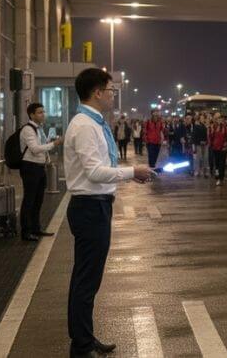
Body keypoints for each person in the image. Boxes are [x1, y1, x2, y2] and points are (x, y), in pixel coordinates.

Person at [64, 68, 153, 357]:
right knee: (86, 280)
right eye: (111, 89)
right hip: (89, 207)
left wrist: (130, 174)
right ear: (97, 92)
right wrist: (132, 171)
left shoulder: (94, 123)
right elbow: (94, 172)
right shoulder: (85, 126)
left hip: (96, 205)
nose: (113, 95)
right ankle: (81, 345)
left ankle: (85, 338)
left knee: (88, 279)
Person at [19, 102, 63, 241]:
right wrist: (54, 144)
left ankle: (36, 229)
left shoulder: (39, 128)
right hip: (30, 167)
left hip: (39, 167)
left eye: (43, 112)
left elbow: (41, 146)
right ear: (31, 115)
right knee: (29, 200)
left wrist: (47, 160)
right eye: (39, 112)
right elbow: (35, 148)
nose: (43, 114)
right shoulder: (28, 129)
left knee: (38, 200)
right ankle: (26, 232)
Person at [209, 113, 227, 185]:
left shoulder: (225, 127)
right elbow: (210, 137)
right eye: (216, 118)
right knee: (217, 164)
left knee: (222, 164)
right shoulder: (211, 127)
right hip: (215, 148)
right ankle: (217, 177)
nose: (218, 119)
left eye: (219, 118)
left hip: (223, 148)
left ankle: (221, 178)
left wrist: (226, 144)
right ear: (214, 119)